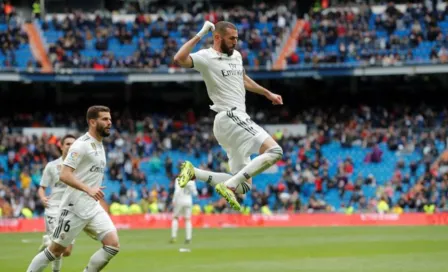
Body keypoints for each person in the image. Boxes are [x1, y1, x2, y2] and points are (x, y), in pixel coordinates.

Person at [173, 21, 284, 211]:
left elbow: (242, 79)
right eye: (232, 38)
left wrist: (267, 93)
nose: (235, 42)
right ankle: (228, 186)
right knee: (275, 152)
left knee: (244, 185)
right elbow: (179, 58)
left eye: (237, 38)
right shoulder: (206, 57)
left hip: (231, 122)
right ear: (217, 37)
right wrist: (201, 33)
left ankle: (195, 173)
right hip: (230, 115)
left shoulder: (237, 56)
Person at [26, 105, 119, 272]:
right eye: (105, 119)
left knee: (112, 245)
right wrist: (88, 189)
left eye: (110, 119)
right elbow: (64, 174)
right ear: (92, 122)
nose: (109, 122)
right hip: (74, 208)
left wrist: (94, 191)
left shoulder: (99, 144)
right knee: (55, 251)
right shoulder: (80, 145)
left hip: (92, 207)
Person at [37, 134, 76, 272]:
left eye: (73, 144)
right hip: (54, 209)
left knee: (67, 251)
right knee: (59, 248)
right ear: (61, 146)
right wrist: (42, 198)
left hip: (71, 210)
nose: (71, 146)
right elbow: (41, 187)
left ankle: (47, 243)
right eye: (68, 144)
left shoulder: (80, 166)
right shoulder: (52, 166)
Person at [170, 179, 198, 244]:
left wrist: (174, 200)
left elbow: (177, 191)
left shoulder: (178, 179)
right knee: (188, 219)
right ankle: (188, 238)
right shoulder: (191, 181)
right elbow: (195, 193)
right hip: (188, 201)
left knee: (175, 217)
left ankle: (174, 237)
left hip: (179, 200)